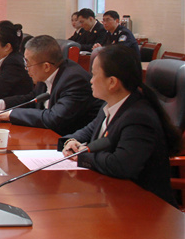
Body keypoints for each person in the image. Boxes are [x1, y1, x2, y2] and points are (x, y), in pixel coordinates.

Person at [60, 45, 182, 206]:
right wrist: (71, 141)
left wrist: (82, 156)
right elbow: (88, 131)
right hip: (110, 194)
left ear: (112, 82)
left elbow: (121, 165)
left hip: (144, 206)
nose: (90, 80)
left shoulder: (139, 117)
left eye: (94, 74)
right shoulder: (111, 105)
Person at [0, 35, 103, 136]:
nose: (26, 68)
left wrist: (10, 114)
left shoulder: (74, 80)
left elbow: (54, 118)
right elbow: (32, 99)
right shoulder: (47, 74)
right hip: (46, 135)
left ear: (46, 66)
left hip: (65, 140)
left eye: (28, 63)